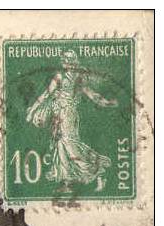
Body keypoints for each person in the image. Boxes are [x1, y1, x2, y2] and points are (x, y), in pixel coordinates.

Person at [25, 49, 117, 193]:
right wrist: (32, 110)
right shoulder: (62, 77)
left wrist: (106, 103)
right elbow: (46, 95)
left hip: (68, 115)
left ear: (73, 62)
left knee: (68, 143)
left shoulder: (71, 78)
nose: (67, 64)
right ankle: (66, 183)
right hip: (60, 115)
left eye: (69, 61)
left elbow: (91, 94)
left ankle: (97, 170)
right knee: (61, 145)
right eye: (66, 61)